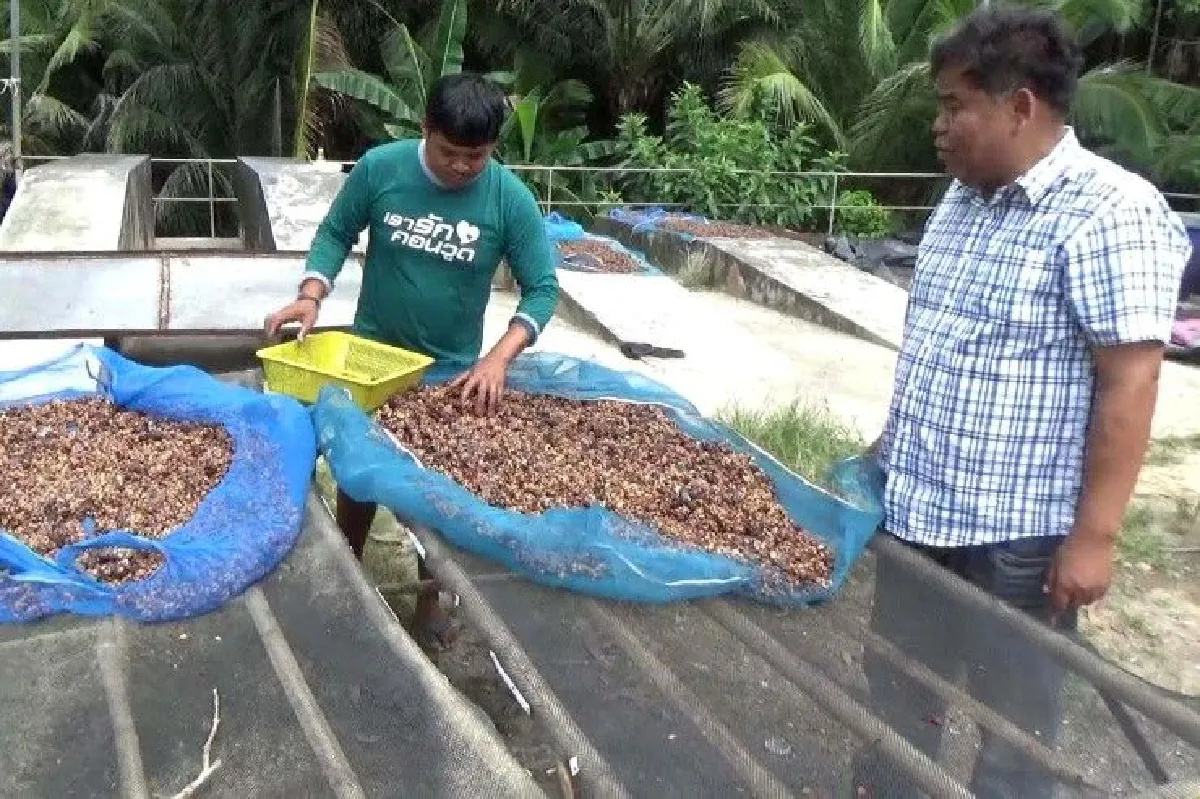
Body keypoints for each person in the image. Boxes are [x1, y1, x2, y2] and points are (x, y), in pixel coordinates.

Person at [855, 7, 1192, 798]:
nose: (940, 127)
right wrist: (888, 448)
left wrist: (1095, 538)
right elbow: (939, 343)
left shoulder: (1111, 211)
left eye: (952, 106)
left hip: (1020, 538)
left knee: (1014, 731)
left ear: (1019, 108)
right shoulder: (963, 200)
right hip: (919, 511)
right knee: (898, 693)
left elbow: (1131, 382)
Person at [265, 72, 559, 646]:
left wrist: (499, 356)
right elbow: (335, 232)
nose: (463, 167)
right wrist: (311, 294)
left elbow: (543, 288)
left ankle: (430, 607)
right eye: (450, 152)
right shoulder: (381, 169)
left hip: (449, 379)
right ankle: (344, 587)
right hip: (371, 364)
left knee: (439, 503)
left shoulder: (508, 199)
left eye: (477, 156)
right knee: (358, 478)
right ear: (425, 130)